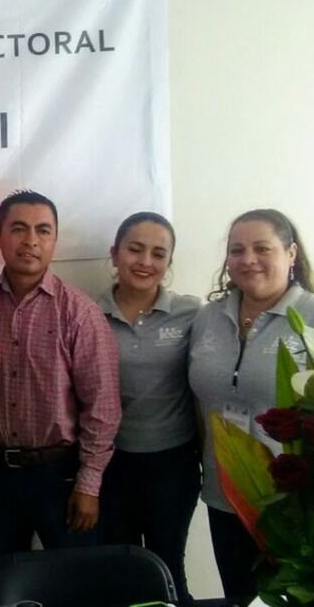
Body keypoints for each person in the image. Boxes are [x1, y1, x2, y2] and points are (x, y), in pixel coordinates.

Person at [189, 208, 314, 606]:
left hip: (297, 503)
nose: (248, 259)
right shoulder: (208, 317)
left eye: (263, 248)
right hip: (224, 494)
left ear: (291, 253)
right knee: (240, 597)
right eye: (237, 250)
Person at [0, 190, 120, 566]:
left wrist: (89, 483)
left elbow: (103, 407)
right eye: (18, 229)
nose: (30, 240)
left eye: (42, 230)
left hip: (61, 475)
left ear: (54, 240)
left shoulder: (79, 313)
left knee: (74, 587)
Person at [95, 212, 201, 605]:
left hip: (172, 464)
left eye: (159, 254)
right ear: (115, 253)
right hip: (110, 464)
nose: (145, 261)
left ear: (169, 263)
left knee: (168, 566)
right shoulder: (89, 313)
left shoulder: (192, 314)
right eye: (135, 249)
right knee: (121, 573)